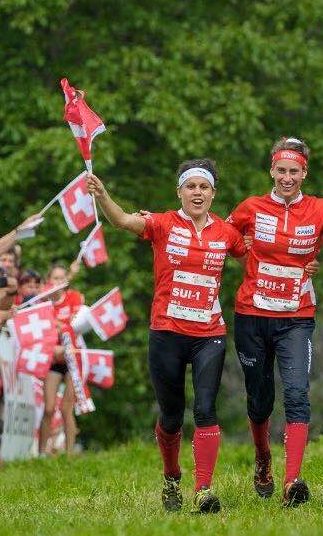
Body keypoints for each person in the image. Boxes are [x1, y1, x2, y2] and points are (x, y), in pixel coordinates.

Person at [87, 159, 246, 514]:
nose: (197, 193)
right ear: (179, 192)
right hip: (167, 332)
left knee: (205, 408)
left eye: (204, 187)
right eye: (191, 186)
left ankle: (203, 489)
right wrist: (102, 194)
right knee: (172, 415)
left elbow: (257, 261)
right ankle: (172, 476)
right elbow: (121, 220)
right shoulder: (162, 223)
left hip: (209, 333)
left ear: (213, 194)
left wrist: (304, 264)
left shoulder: (226, 233)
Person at [224, 138, 323, 507]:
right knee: (260, 399)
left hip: (296, 318)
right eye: (282, 171)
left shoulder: (321, 209)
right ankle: (262, 458)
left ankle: (292, 481)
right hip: (252, 316)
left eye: (294, 172)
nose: (287, 178)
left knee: (297, 393)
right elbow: (219, 236)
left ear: (304, 173)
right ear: (272, 170)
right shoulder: (251, 207)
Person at [38, 263, 85, 455]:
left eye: (61, 278)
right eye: (54, 278)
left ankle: (69, 455)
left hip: (73, 359)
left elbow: (76, 325)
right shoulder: (44, 303)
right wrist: (57, 334)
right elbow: (43, 330)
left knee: (67, 408)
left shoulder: (74, 297)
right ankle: (41, 454)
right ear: (48, 281)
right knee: (49, 408)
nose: (58, 282)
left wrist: (58, 327)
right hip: (54, 360)